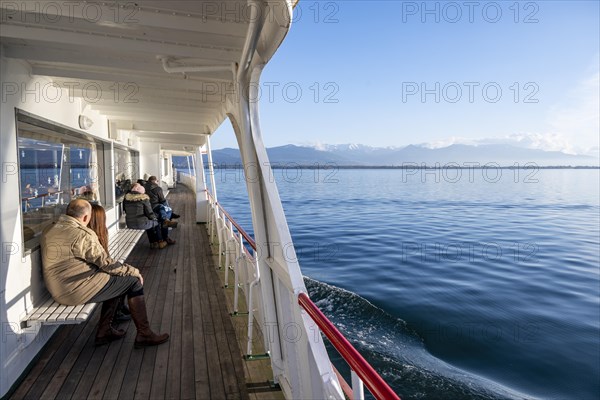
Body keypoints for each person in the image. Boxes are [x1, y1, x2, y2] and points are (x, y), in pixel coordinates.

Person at [40, 199, 169, 348]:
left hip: (58, 288)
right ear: (85, 218)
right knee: (133, 281)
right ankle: (144, 334)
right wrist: (134, 271)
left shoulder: (50, 229)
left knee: (116, 280)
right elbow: (107, 264)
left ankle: (105, 331)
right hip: (74, 290)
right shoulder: (82, 235)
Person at [89, 204, 131, 323]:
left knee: (119, 274)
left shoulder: (93, 233)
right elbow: (104, 264)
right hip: (91, 277)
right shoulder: (93, 236)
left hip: (93, 273)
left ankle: (119, 308)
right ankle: (115, 314)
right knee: (120, 277)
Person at [123, 183, 173, 248]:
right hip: (140, 223)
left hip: (129, 223)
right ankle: (161, 242)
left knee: (149, 223)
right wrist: (156, 218)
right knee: (156, 223)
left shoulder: (126, 199)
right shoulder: (144, 199)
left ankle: (153, 243)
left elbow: (125, 210)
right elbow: (150, 214)